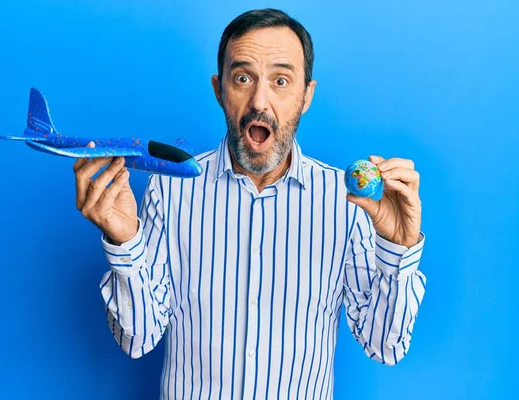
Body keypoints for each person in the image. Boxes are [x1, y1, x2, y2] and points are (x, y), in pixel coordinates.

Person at [73, 8, 426, 400]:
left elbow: (385, 346)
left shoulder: (345, 203)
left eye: (281, 80)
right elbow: (137, 338)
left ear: (306, 95)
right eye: (243, 78)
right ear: (219, 88)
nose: (260, 101)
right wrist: (125, 244)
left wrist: (398, 249)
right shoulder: (171, 189)